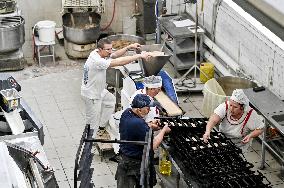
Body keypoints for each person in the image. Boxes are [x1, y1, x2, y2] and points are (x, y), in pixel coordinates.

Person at [81, 38, 152, 137]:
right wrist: (139, 56)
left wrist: (128, 47)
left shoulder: (98, 52)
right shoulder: (97, 61)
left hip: (99, 90)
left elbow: (114, 55)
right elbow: (118, 62)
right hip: (91, 95)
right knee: (92, 123)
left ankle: (102, 127)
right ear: (100, 49)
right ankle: (88, 146)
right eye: (108, 50)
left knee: (110, 101)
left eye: (111, 48)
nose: (110, 51)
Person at [116, 94, 171, 188]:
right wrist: (163, 131)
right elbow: (152, 145)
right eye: (147, 108)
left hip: (124, 157)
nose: (149, 110)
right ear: (139, 109)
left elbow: (136, 127)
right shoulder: (138, 123)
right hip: (134, 163)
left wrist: (149, 125)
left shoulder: (127, 113)